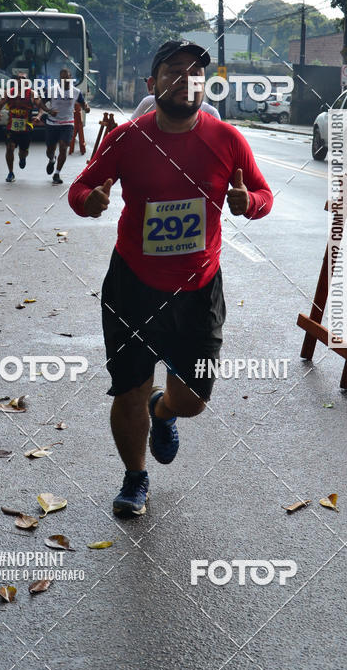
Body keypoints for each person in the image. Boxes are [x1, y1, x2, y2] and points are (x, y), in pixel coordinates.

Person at [68, 39, 273, 517]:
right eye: (174, 70)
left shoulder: (227, 140)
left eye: (196, 72)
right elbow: (81, 187)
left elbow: (262, 194)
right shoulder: (127, 137)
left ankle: (164, 409)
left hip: (198, 291)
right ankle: (135, 478)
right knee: (128, 388)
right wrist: (89, 201)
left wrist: (251, 204)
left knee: (193, 400)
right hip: (132, 285)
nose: (186, 79)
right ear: (152, 83)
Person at [41, 68, 89, 185]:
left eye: (67, 77)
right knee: (50, 150)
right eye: (62, 78)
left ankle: (57, 173)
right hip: (52, 123)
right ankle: (52, 160)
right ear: (60, 79)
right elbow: (41, 103)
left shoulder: (76, 92)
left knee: (63, 147)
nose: (65, 80)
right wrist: (49, 111)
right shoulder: (52, 90)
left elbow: (83, 104)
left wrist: (86, 108)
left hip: (67, 123)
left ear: (70, 78)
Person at [0, 74, 35, 183]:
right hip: (11, 127)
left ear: (27, 82)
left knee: (23, 151)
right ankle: (11, 172)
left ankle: (22, 157)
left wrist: (39, 116)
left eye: (23, 79)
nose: (21, 80)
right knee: (9, 147)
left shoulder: (31, 94)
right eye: (18, 78)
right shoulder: (9, 92)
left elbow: (40, 107)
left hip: (26, 128)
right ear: (15, 81)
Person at [131, 82, 221, 121]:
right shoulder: (149, 105)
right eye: (176, 72)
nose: (185, 79)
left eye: (194, 73)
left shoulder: (211, 114)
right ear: (152, 84)